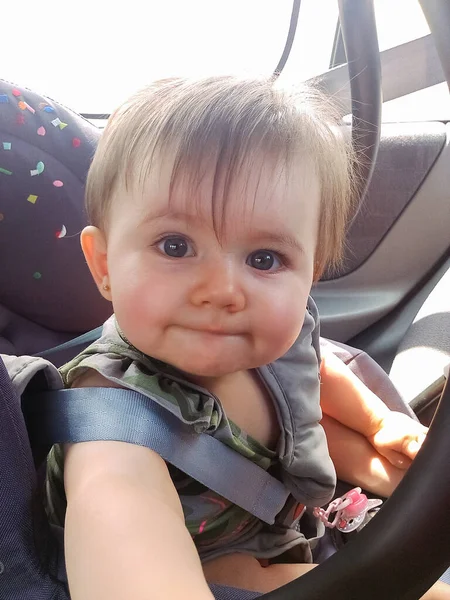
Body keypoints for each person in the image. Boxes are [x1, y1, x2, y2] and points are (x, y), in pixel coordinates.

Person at [45, 76, 448, 599]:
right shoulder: (111, 417)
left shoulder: (275, 336)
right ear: (103, 265)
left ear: (309, 274)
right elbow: (116, 504)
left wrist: (379, 422)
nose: (222, 291)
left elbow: (313, 375)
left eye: (265, 259)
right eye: (174, 245)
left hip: (287, 488)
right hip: (218, 556)